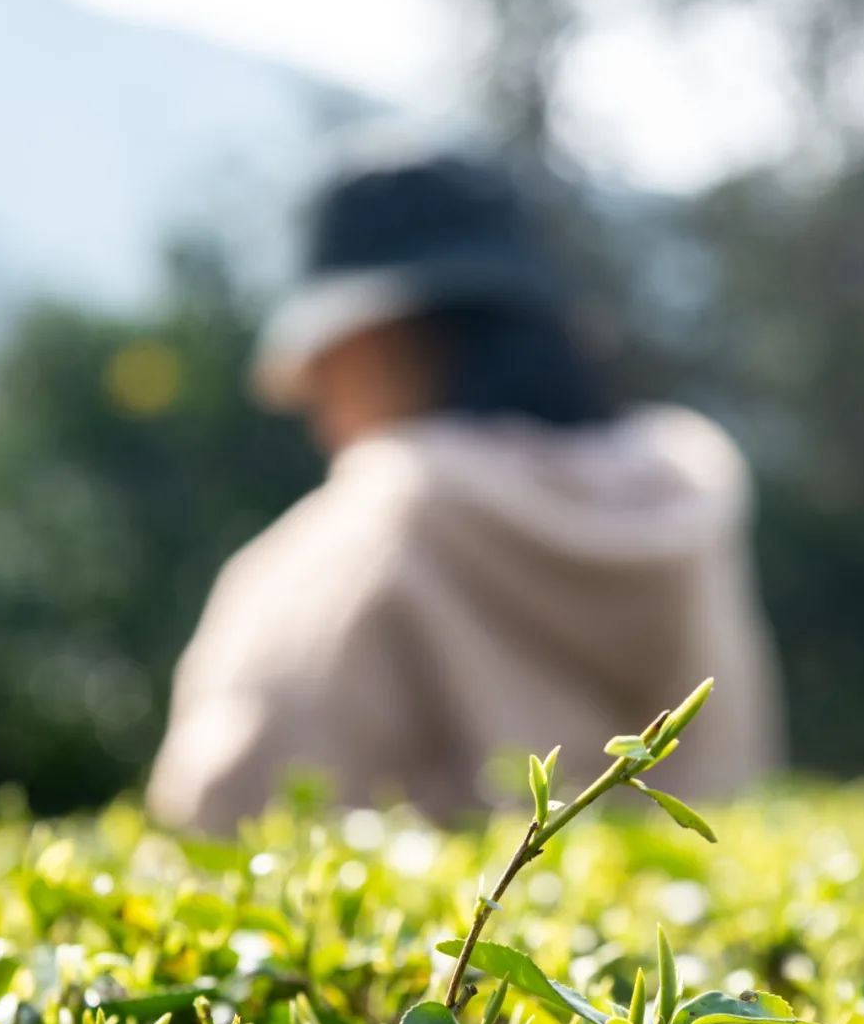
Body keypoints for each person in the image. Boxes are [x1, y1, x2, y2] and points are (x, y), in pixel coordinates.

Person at [148, 141, 783, 834]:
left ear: (375, 342)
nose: (313, 412)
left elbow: (219, 817)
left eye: (320, 372)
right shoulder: (687, 514)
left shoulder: (348, 543)